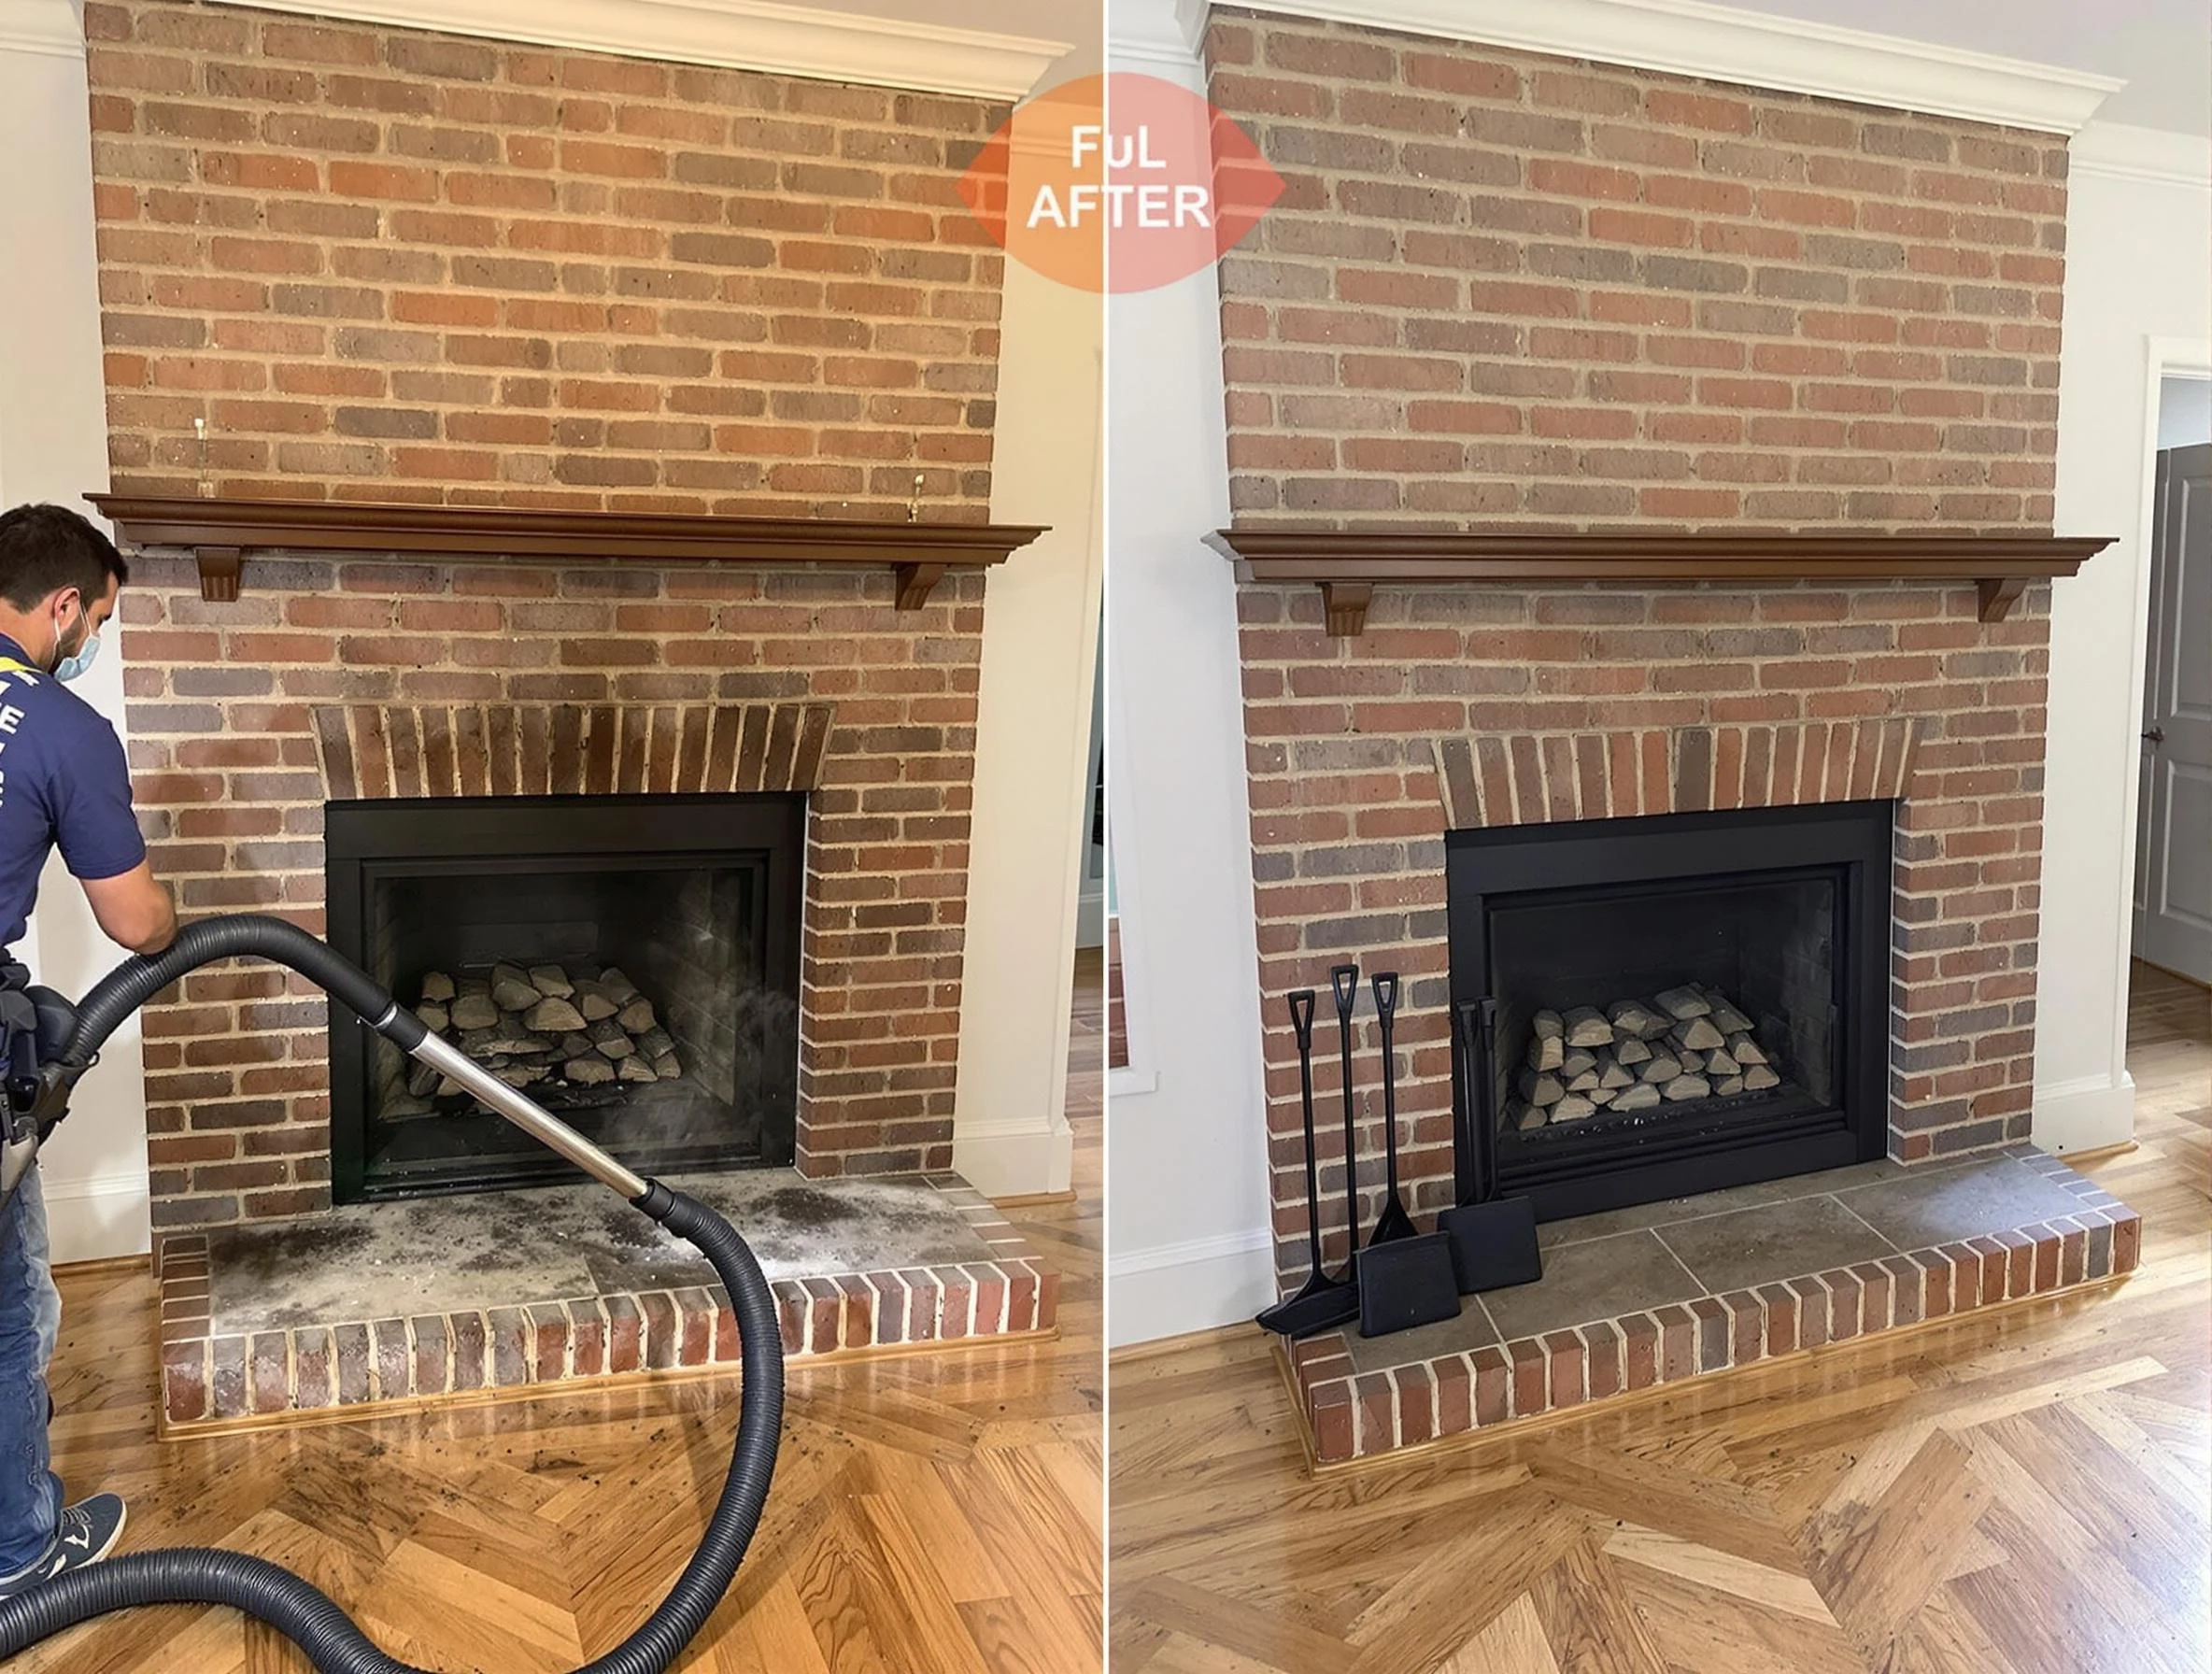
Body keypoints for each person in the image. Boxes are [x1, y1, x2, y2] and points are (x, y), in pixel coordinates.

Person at [0, 504, 175, 1599]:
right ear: (63, 605)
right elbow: (136, 923)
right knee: (13, 1308)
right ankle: (20, 1554)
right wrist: (177, 913)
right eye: (97, 617)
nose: (92, 640)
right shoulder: (61, 729)